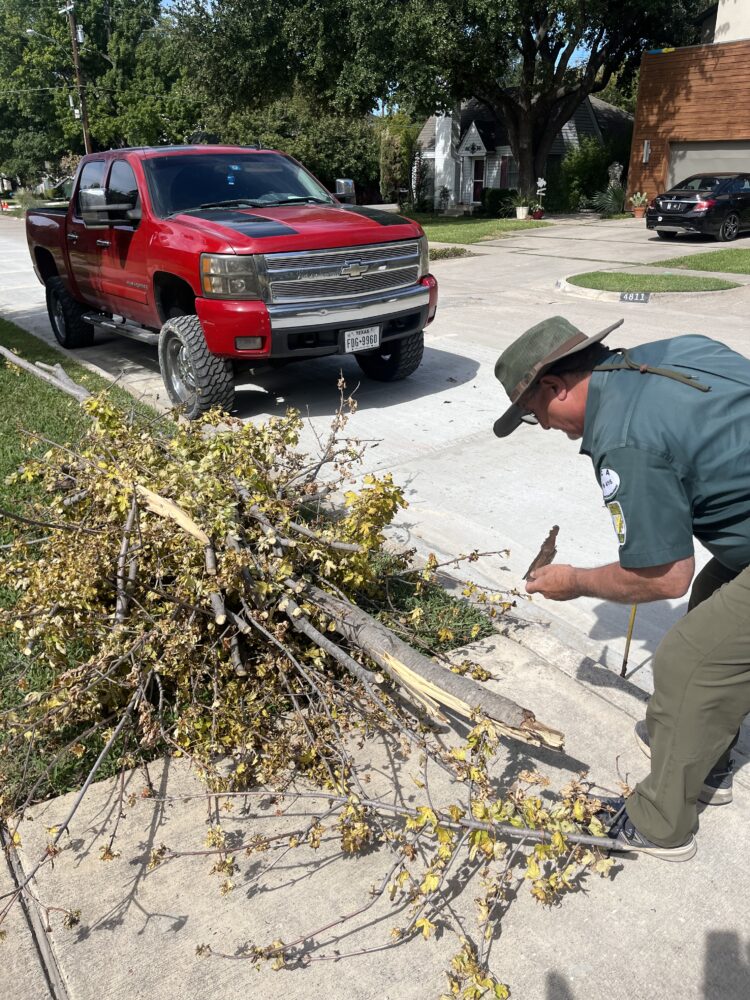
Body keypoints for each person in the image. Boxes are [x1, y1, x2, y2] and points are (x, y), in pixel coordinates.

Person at [493, 315, 750, 862]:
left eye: (537, 416)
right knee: (711, 611)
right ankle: (701, 751)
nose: (550, 430)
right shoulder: (677, 349)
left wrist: (576, 582)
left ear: (554, 386)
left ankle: (660, 824)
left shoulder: (623, 436)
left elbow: (663, 575)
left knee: (690, 659)